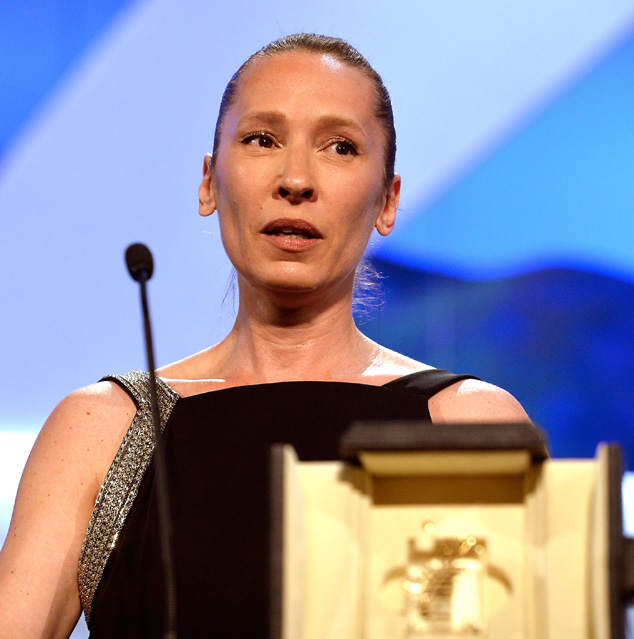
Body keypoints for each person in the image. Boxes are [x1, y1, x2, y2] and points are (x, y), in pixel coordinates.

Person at [0, 34, 530, 638]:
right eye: (261, 139)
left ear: (388, 199)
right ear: (208, 182)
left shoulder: (468, 425)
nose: (296, 179)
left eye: (339, 146)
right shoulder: (102, 428)